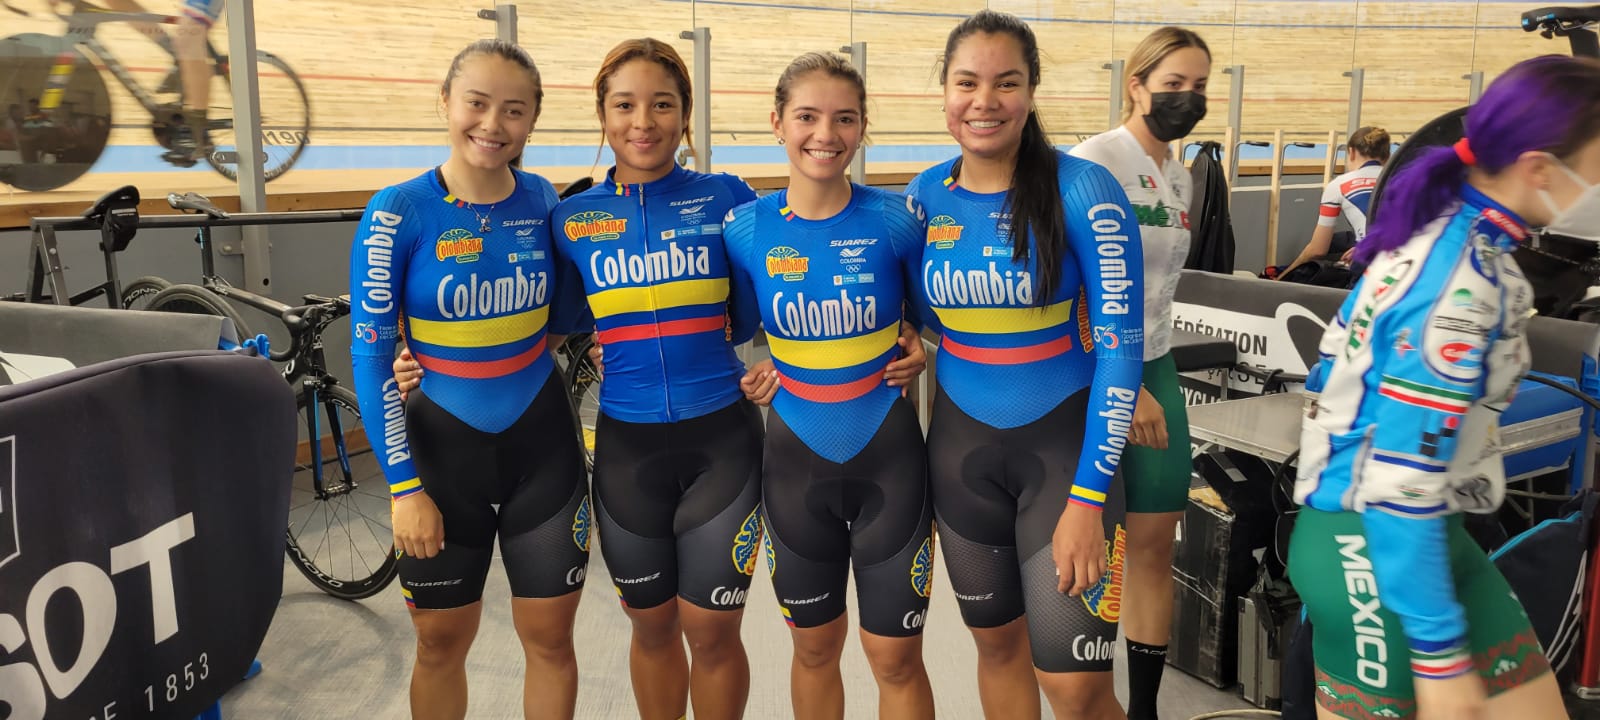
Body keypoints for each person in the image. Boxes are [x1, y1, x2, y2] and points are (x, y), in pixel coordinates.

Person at [1290, 54, 1600, 720]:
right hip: (1369, 540)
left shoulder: (1466, 234)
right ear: (1540, 169)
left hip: (1431, 530)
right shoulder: (1457, 287)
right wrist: (1439, 658)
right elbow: (1402, 482)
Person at [905, 10, 1145, 720]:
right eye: (967, 83)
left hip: (1065, 458)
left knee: (1075, 689)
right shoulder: (924, 197)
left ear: (1032, 90)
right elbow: (916, 321)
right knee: (998, 652)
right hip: (961, 458)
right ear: (944, 93)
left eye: (1006, 83)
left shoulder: (1084, 190)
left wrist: (1088, 500)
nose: (985, 101)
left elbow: (1122, 354)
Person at [347, 39, 588, 720]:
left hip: (542, 449)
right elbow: (368, 357)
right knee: (440, 644)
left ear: (533, 120)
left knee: (551, 641)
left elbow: (566, 312)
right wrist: (402, 489)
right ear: (446, 104)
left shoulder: (542, 199)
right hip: (438, 460)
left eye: (514, 110)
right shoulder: (397, 211)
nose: (492, 124)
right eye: (476, 103)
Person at [723, 51, 935, 720]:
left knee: (895, 656)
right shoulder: (744, 229)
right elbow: (712, 324)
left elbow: (941, 322)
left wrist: (922, 349)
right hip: (794, 466)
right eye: (808, 116)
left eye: (844, 119)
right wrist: (751, 369)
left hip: (890, 460)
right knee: (814, 651)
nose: (825, 134)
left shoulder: (900, 219)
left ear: (863, 126)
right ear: (777, 123)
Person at [1067, 26, 1208, 720]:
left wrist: (1152, 377)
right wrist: (1121, 384)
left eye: (1200, 87)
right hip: (1102, 369)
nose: (1188, 97)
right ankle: (1083, 692)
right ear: (1136, 83)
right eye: (1174, 84)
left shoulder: (1179, 174)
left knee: (1155, 546)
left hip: (1159, 361)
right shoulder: (1094, 161)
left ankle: (1144, 709)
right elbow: (1073, 285)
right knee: (1093, 544)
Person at [1280, 125, 1391, 277]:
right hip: (1409, 261)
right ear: (1388, 156)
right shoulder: (1405, 178)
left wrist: (1285, 275)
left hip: (1372, 268)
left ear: (1351, 153)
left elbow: (1318, 250)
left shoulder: (1339, 185)